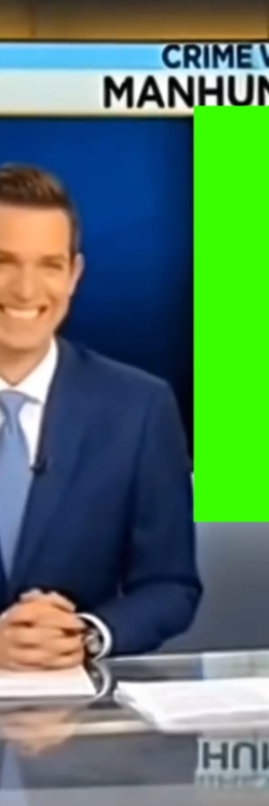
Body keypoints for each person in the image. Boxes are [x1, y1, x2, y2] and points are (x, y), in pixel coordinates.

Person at [0, 163, 201, 670]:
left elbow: (170, 585)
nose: (25, 290)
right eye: (3, 261)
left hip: (76, 708)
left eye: (49, 265)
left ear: (74, 275)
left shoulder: (139, 408)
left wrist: (84, 635)